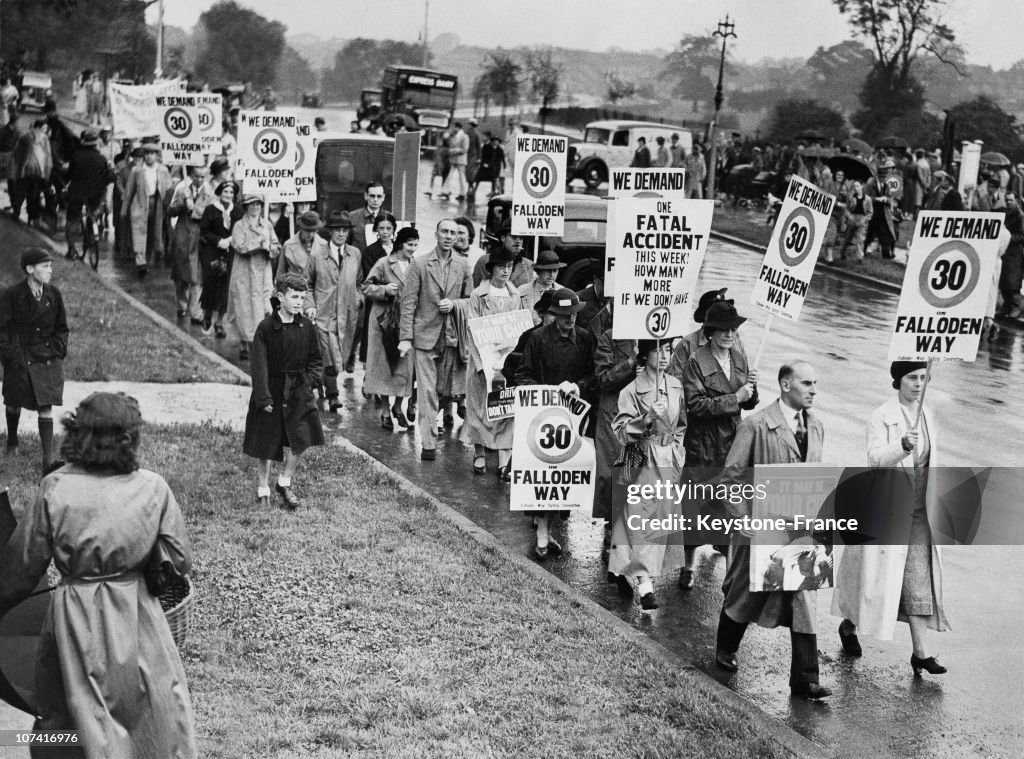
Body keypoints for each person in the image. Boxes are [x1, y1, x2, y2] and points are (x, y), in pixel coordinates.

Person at [0, 392, 198, 757]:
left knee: (68, 715)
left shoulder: (55, 487)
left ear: (77, 434)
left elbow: (21, 567)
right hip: (138, 616)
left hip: (75, 619)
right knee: (150, 707)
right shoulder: (152, 487)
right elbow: (180, 559)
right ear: (131, 439)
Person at [715, 361, 832, 700]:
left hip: (799, 530)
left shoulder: (818, 427)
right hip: (759, 528)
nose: (813, 390)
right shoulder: (755, 425)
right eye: (806, 383)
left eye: (815, 383)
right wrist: (743, 517)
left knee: (803, 596)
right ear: (784, 384)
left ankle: (805, 678)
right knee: (745, 592)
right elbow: (730, 480)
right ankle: (726, 645)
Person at [832, 362, 950, 676]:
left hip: (920, 512)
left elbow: (929, 462)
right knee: (871, 580)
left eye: (924, 378)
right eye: (912, 378)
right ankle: (849, 625)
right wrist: (901, 446)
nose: (918, 385)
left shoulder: (926, 415)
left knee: (916, 581)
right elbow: (874, 459)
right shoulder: (881, 415)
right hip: (886, 508)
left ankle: (920, 653)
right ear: (898, 381)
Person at [680, 301, 758, 588]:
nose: (730, 334)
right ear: (711, 331)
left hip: (733, 445)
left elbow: (748, 402)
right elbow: (696, 405)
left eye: (734, 329)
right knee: (695, 507)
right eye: (724, 329)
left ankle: (730, 572)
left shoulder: (739, 358)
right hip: (703, 446)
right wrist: (735, 398)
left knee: (729, 507)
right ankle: (687, 565)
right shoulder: (696, 361)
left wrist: (751, 390)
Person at [515, 288, 597, 558]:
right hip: (541, 419)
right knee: (542, 472)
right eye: (563, 315)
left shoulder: (585, 339)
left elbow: (593, 377)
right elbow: (523, 374)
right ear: (553, 315)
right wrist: (543, 394)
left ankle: (548, 529)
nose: (570, 319)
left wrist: (578, 386)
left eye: (573, 314)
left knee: (563, 473)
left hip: (572, 418)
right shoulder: (537, 339)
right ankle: (541, 529)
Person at [608, 339, 687, 611]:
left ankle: (620, 565)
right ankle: (645, 587)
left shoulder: (676, 386)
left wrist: (677, 451)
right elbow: (620, 432)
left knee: (658, 520)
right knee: (638, 518)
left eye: (668, 350)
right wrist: (647, 419)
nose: (664, 356)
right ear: (645, 354)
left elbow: (682, 425)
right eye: (658, 349)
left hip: (668, 461)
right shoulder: (631, 391)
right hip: (642, 459)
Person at [243, 272, 325, 510]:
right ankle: (263, 488)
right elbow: (259, 365)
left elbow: (316, 359)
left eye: (303, 297)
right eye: (294, 297)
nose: (299, 302)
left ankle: (284, 481)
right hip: (273, 389)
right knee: (267, 441)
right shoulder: (266, 328)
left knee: (302, 438)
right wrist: (263, 395)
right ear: (280, 297)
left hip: (299, 390)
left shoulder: (307, 326)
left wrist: (308, 382)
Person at [398, 219, 474, 460]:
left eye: (453, 232)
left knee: (444, 391)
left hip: (451, 337)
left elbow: (471, 301)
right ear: (436, 234)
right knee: (427, 391)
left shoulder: (463, 265)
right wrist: (405, 338)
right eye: (445, 232)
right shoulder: (420, 264)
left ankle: (431, 423)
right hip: (424, 337)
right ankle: (428, 443)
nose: (449, 236)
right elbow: (408, 302)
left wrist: (454, 304)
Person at [452, 246, 526, 478]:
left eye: (509, 267)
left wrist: (513, 359)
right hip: (482, 361)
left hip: (506, 361)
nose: (506, 271)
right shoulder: (478, 295)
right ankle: (480, 451)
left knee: (504, 407)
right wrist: (480, 363)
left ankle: (504, 458)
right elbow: (473, 331)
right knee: (480, 408)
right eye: (501, 267)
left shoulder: (515, 296)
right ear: (491, 269)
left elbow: (519, 329)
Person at [0, 248, 68, 470]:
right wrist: (9, 354)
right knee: (13, 402)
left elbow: (61, 327)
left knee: (45, 405)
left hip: (46, 357)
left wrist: (58, 348)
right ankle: (12, 441)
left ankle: (48, 458)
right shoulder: (12, 295)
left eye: (50, 265)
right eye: (45, 266)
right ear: (30, 269)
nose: (50, 270)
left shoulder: (53, 295)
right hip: (19, 357)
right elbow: (3, 329)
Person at [304, 210, 361, 414]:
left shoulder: (354, 254)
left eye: (345, 230)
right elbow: (307, 283)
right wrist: (310, 305)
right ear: (330, 232)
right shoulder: (318, 256)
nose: (341, 234)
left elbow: (360, 282)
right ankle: (334, 395)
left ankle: (320, 383)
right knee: (329, 355)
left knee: (341, 356)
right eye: (337, 230)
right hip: (324, 313)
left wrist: (358, 299)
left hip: (346, 314)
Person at [362, 226, 418, 430]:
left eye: (415, 245)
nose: (413, 249)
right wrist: (383, 289)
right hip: (383, 323)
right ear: (400, 243)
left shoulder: (415, 265)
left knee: (404, 368)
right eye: (410, 244)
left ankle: (398, 406)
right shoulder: (384, 263)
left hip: (405, 322)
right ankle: (385, 410)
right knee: (383, 368)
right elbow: (366, 286)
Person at [592, 315, 637, 536]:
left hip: (645, 411)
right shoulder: (610, 337)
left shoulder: (662, 339)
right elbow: (603, 379)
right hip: (614, 412)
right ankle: (611, 530)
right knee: (613, 473)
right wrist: (630, 364)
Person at [226, 194, 280, 361]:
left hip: (263, 271)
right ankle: (244, 342)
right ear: (246, 207)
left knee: (263, 305)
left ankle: (258, 344)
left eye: (258, 204)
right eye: (251, 204)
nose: (255, 207)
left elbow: (276, 247)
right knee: (244, 306)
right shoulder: (239, 226)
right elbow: (240, 246)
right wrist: (258, 244)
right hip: (244, 271)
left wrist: (270, 247)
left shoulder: (267, 225)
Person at [167, 164, 214, 323]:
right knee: (180, 274)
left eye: (203, 177)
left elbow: (211, 217)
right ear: (191, 176)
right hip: (182, 236)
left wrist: (194, 208)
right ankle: (181, 305)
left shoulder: (210, 195)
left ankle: (196, 311)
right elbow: (170, 211)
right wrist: (181, 202)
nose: (199, 180)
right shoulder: (182, 190)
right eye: (196, 176)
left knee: (197, 277)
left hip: (200, 239)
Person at [198, 180, 242, 338]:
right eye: (225, 192)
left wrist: (231, 240)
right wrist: (218, 241)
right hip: (212, 251)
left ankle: (219, 322)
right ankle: (207, 314)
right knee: (211, 282)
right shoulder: (210, 210)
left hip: (230, 251)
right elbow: (204, 230)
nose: (228, 195)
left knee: (226, 286)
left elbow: (241, 228)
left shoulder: (237, 211)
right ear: (220, 193)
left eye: (231, 193)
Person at [63, 128, 115, 260]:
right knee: (93, 214)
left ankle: (71, 249)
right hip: (95, 194)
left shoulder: (76, 156)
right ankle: (93, 229)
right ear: (95, 142)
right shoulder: (101, 158)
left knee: (72, 220)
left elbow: (69, 175)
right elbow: (108, 177)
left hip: (77, 193)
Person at [122, 143, 173, 278]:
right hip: (139, 204)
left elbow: (168, 190)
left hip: (157, 204)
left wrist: (170, 207)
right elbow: (129, 191)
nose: (149, 156)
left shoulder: (163, 170)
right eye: (147, 153)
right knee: (138, 231)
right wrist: (124, 209)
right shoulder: (137, 170)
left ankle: (147, 259)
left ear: (157, 156)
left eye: (152, 153)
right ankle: (140, 261)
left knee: (153, 233)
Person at [472, 217, 535, 288]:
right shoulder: (485, 261)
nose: (518, 241)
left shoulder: (528, 265)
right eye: (513, 236)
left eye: (521, 237)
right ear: (503, 238)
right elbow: (477, 290)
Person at [11, 118, 51, 228]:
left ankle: (16, 213)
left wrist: (19, 167)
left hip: (25, 171)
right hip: (39, 173)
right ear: (39, 127)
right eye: (44, 128)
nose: (45, 130)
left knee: (21, 193)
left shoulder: (25, 137)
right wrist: (47, 174)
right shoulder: (45, 139)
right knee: (33, 196)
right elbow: (48, 157)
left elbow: (17, 154)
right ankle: (32, 219)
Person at [518, 249, 563, 323]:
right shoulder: (521, 291)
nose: (552, 275)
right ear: (538, 271)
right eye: (548, 270)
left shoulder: (563, 292)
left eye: (555, 270)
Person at [998, 191, 1024, 319]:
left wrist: (1007, 238)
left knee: (1012, 282)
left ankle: (1016, 306)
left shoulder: (1020, 215)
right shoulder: (1004, 214)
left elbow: (1022, 235)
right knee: (1004, 281)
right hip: (1005, 252)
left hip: (1014, 253)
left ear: (1016, 201)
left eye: (1011, 200)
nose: (1008, 202)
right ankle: (1006, 306)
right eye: (1006, 200)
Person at [279, 210, 326, 277]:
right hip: (294, 285)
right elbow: (281, 274)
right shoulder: (288, 245)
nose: (310, 234)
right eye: (307, 230)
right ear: (301, 228)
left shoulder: (324, 245)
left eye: (313, 231)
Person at [837, 179, 872, 261]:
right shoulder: (851, 197)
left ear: (861, 187)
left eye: (857, 186)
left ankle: (860, 257)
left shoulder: (867, 199)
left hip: (861, 219)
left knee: (860, 239)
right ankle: (842, 252)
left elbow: (870, 212)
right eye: (854, 186)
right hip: (852, 219)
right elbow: (846, 208)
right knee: (847, 238)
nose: (856, 188)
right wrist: (849, 216)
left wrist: (865, 219)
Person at [446, 121, 469, 199]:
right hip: (454, 159)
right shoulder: (453, 136)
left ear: (457, 127)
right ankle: (445, 191)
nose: (453, 128)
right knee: (449, 175)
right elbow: (449, 144)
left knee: (461, 177)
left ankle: (462, 193)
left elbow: (465, 149)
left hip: (460, 160)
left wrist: (453, 151)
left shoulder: (464, 136)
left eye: (454, 127)